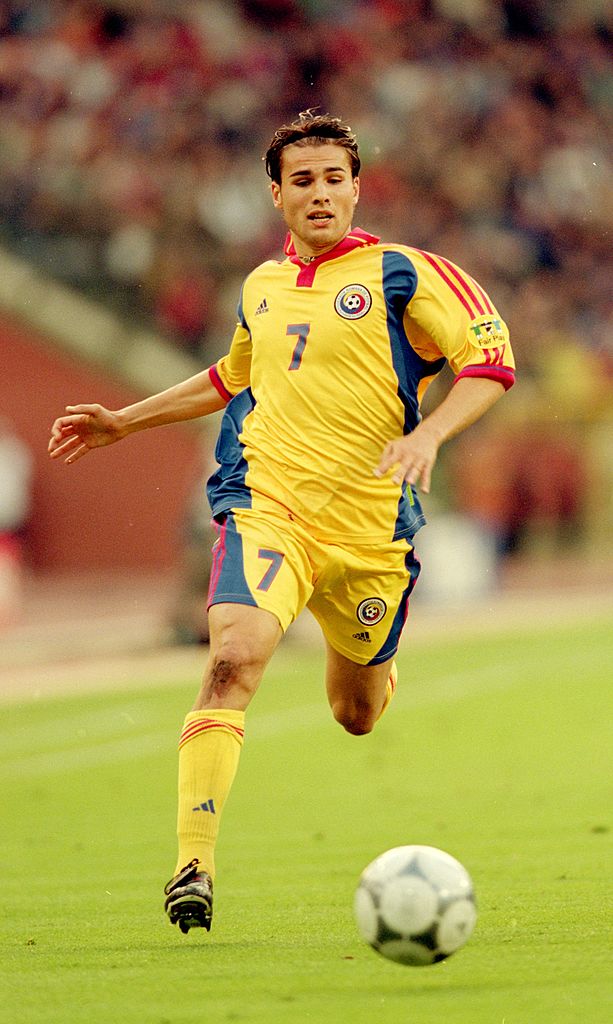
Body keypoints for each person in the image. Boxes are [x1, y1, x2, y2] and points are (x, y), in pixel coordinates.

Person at [48, 111, 515, 936]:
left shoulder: (405, 273)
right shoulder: (260, 286)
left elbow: (490, 363)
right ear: (276, 195)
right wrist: (125, 420)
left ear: (356, 187)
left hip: (370, 532)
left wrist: (428, 435)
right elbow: (230, 376)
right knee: (231, 659)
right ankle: (193, 865)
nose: (319, 193)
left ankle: (374, 664)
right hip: (269, 508)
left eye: (334, 178)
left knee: (356, 714)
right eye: (302, 180)